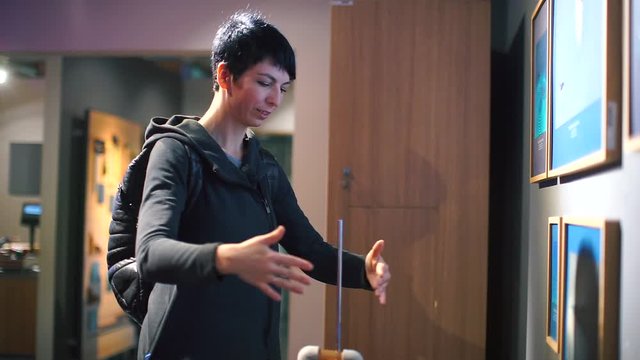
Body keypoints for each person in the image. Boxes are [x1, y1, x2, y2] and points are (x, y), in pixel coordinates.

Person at [135, 10, 391, 359]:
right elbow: (151, 254)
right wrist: (228, 258)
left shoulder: (264, 167)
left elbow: (310, 249)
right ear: (226, 75)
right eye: (265, 82)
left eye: (283, 88)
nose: (276, 99)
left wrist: (364, 269)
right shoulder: (176, 152)